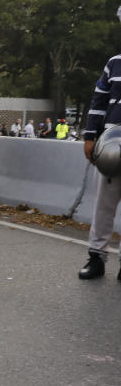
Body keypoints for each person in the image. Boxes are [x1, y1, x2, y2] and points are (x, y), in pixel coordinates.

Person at [79, 14, 121, 281]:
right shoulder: (114, 64)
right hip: (112, 144)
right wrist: (90, 136)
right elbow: (99, 100)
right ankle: (97, 257)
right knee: (104, 204)